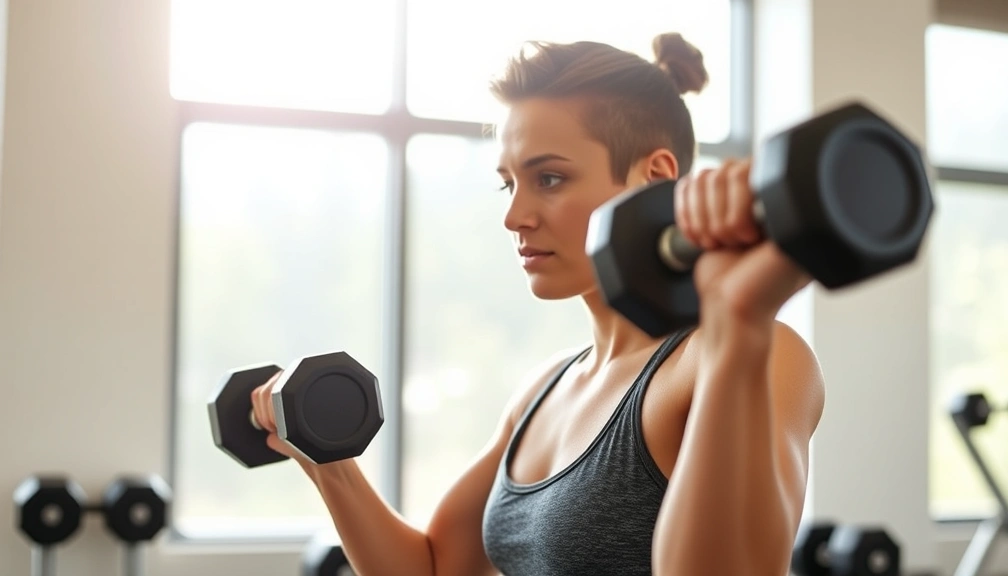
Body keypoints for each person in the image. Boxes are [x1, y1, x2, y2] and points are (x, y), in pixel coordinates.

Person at [251, 31, 825, 576]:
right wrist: (324, 458)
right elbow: (433, 568)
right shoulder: (546, 387)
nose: (514, 216)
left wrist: (738, 326)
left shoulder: (753, 354)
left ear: (654, 179)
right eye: (509, 184)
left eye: (548, 178)